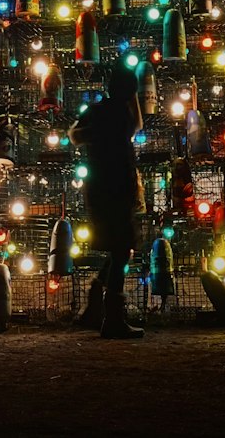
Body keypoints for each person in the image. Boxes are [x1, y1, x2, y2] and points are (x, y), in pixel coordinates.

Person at [68, 60, 145, 339]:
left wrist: (95, 136)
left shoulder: (98, 110)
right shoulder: (124, 113)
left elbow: (75, 135)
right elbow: (137, 124)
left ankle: (95, 304)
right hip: (118, 188)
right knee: (122, 248)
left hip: (99, 188)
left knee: (118, 247)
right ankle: (111, 317)